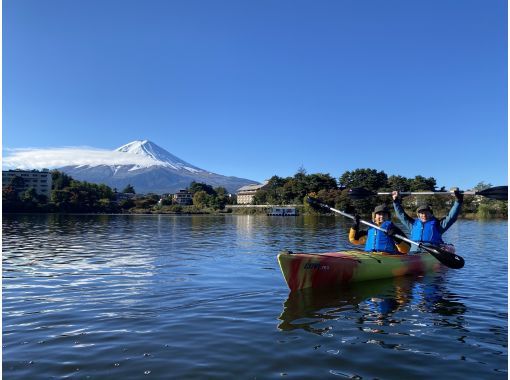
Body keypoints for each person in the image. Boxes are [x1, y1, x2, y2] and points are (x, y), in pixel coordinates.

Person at [391, 189, 463, 253]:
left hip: (431, 253)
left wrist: (458, 201)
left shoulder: (438, 225)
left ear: (431, 214)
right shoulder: (413, 224)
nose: (424, 215)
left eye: (426, 213)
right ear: (418, 215)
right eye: (422, 213)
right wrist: (395, 201)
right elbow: (401, 215)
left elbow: (451, 217)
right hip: (413, 252)